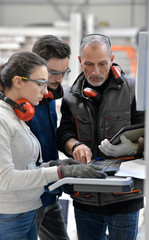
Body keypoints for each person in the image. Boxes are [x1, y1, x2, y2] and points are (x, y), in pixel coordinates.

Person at [0, 51, 106, 240]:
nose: (45, 89)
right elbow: (5, 179)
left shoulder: (17, 115)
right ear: (18, 82)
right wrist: (59, 172)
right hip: (10, 217)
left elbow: (26, 165)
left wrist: (57, 166)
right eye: (40, 82)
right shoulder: (2, 118)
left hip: (27, 211)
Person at [56, 33, 145, 240]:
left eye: (102, 64)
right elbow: (64, 133)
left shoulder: (134, 90)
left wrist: (134, 148)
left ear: (112, 59)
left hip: (125, 196)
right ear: (79, 61)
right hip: (85, 196)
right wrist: (74, 145)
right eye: (89, 64)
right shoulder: (70, 95)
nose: (96, 71)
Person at [27, 35, 71, 240]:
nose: (59, 80)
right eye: (54, 72)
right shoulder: (21, 101)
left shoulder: (49, 95)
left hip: (50, 193)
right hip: (28, 198)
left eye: (64, 72)